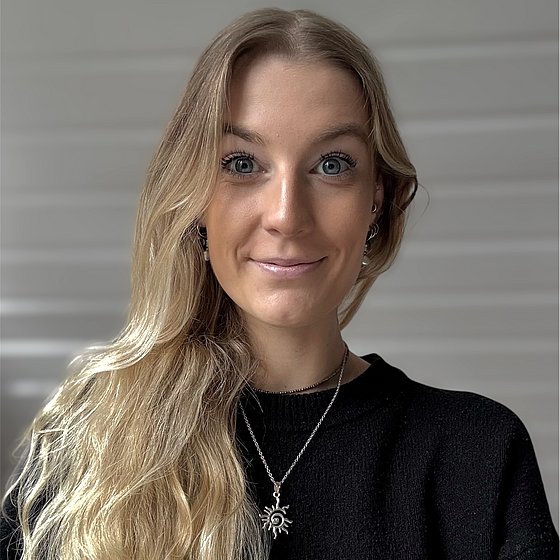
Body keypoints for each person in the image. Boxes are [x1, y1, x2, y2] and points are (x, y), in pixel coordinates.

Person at [1, 8, 557, 560]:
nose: (287, 216)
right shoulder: (87, 449)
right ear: (195, 197)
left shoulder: (478, 453)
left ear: (377, 198)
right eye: (243, 164)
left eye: (332, 164)